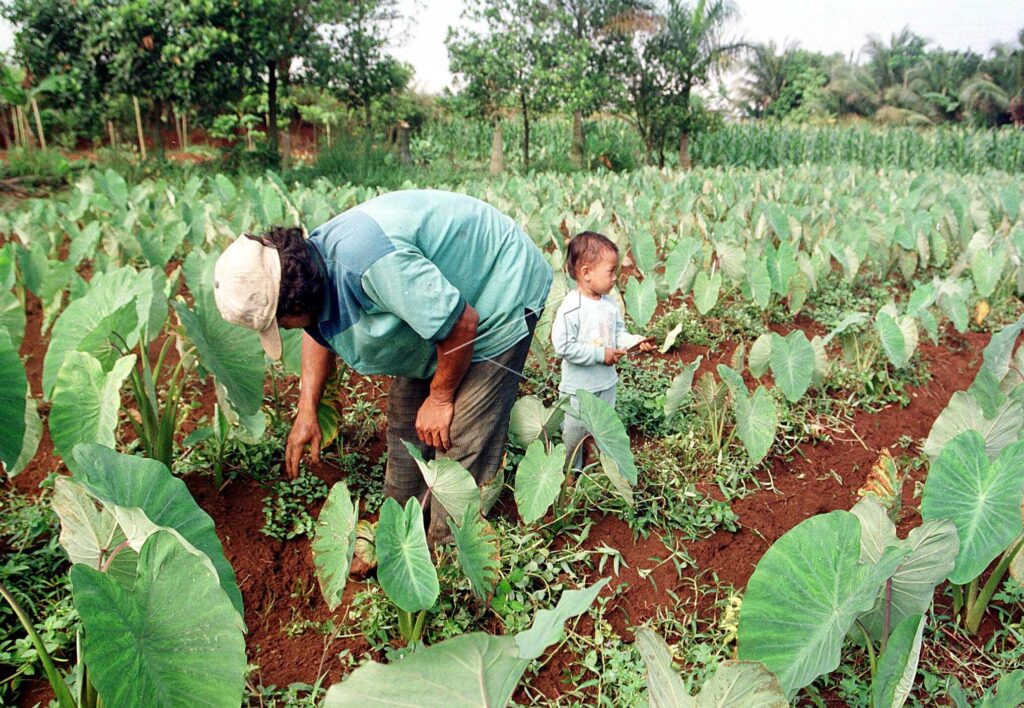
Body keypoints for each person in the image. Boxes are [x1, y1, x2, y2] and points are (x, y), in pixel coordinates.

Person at [213, 189, 552, 543]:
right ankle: (397, 536)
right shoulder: (308, 268)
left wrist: (440, 397)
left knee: (460, 438)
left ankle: (448, 551)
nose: (284, 328)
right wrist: (307, 410)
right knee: (407, 429)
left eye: (281, 322)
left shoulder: (368, 264)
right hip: (436, 316)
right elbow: (316, 329)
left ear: (294, 301)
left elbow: (461, 325)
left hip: (498, 289)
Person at [551, 231, 653, 468]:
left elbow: (617, 335)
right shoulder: (571, 307)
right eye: (610, 272)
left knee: (603, 430)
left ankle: (600, 470)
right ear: (586, 273)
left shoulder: (610, 304)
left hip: (606, 385)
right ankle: (571, 473)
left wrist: (635, 342)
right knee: (574, 435)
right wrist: (600, 354)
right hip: (578, 390)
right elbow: (563, 346)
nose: (615, 278)